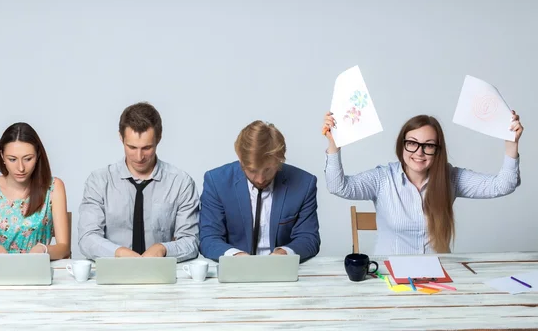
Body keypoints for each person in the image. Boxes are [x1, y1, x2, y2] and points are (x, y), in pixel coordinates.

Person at [322, 111, 523, 255]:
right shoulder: (382, 178)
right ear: (402, 145)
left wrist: (511, 144)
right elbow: (338, 186)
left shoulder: (450, 177)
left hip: (438, 276)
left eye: (428, 146)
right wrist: (334, 145)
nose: (419, 152)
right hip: (391, 276)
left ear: (437, 150)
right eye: (412, 143)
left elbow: (503, 185)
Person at [78, 102, 199, 262]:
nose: (139, 157)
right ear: (121, 138)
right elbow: (87, 238)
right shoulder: (99, 181)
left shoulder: (181, 183)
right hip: (114, 269)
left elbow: (191, 241)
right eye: (132, 147)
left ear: (159, 138)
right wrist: (119, 252)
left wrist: (163, 249)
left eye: (147, 148)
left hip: (160, 271)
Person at [199, 120, 321, 262]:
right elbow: (209, 239)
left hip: (283, 270)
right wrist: (237, 257)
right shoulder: (216, 182)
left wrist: (283, 254)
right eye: (252, 171)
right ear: (241, 161)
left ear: (279, 160)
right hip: (234, 270)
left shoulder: (304, 183)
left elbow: (309, 238)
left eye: (268, 169)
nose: (261, 179)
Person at [0, 123, 70, 259]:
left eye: (28, 159)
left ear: (38, 155)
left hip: (36, 271)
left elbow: (64, 248)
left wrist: (44, 250)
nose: (21, 168)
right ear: (2, 156)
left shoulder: (53, 187)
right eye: (12, 159)